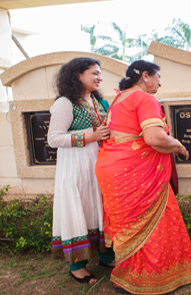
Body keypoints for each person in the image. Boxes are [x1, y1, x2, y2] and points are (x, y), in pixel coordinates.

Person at [95, 60, 191, 294]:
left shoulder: (118, 99)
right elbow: (154, 138)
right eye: (158, 76)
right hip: (132, 171)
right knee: (152, 221)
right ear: (145, 76)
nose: (160, 82)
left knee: (127, 225)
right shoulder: (144, 98)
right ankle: (148, 278)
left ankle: (128, 275)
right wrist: (179, 145)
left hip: (111, 168)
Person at [48, 57, 114, 285]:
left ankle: (106, 254)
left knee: (101, 207)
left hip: (99, 164)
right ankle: (77, 265)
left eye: (99, 73)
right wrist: (91, 136)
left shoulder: (99, 102)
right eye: (94, 73)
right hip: (75, 166)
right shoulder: (65, 103)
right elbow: (54, 139)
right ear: (78, 75)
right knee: (80, 209)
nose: (99, 77)